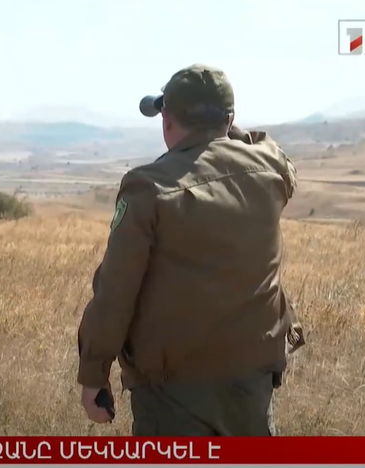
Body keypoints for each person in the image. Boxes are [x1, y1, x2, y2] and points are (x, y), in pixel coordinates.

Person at [76, 64, 305, 436]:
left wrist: (93, 373)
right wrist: (226, 130)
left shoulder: (148, 188)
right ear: (230, 119)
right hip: (252, 376)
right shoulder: (270, 170)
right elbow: (274, 152)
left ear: (167, 120)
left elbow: (116, 292)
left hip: (172, 389)